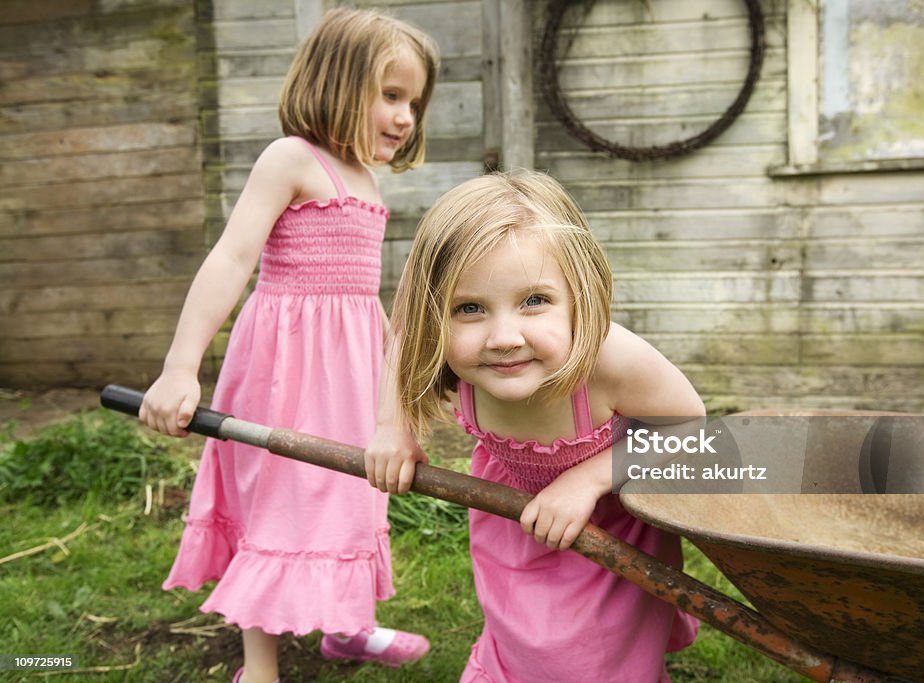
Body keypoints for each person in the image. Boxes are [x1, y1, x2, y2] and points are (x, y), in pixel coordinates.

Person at [138, 8, 439, 683]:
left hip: (352, 369)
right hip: (287, 371)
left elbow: (367, 296)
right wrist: (180, 367)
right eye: (390, 96)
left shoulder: (366, 178)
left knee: (348, 493)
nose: (405, 117)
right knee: (282, 500)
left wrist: (399, 399)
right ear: (337, 82)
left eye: (413, 102)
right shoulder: (291, 159)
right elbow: (230, 257)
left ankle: (345, 627)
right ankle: (259, 665)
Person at [367, 170, 704, 682]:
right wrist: (392, 426)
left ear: (579, 295)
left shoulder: (609, 360)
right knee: (520, 634)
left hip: (610, 525)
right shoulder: (449, 356)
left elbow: (690, 425)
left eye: (533, 301)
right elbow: (401, 339)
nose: (504, 337)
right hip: (512, 520)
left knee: (586, 658)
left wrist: (587, 479)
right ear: (435, 316)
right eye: (470, 308)